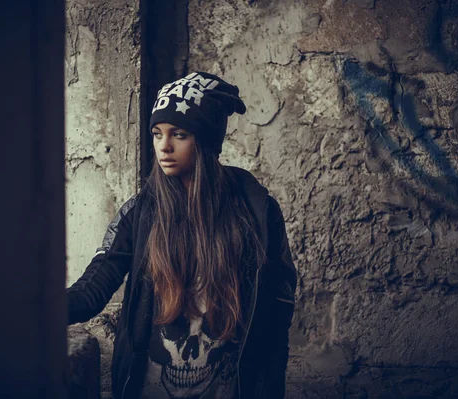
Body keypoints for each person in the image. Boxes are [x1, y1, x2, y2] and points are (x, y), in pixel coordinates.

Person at [67, 71, 297, 399]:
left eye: (179, 134)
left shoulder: (258, 212)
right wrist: (31, 308)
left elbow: (278, 314)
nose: (164, 147)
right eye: (157, 134)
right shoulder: (141, 212)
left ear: (204, 140)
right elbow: (92, 290)